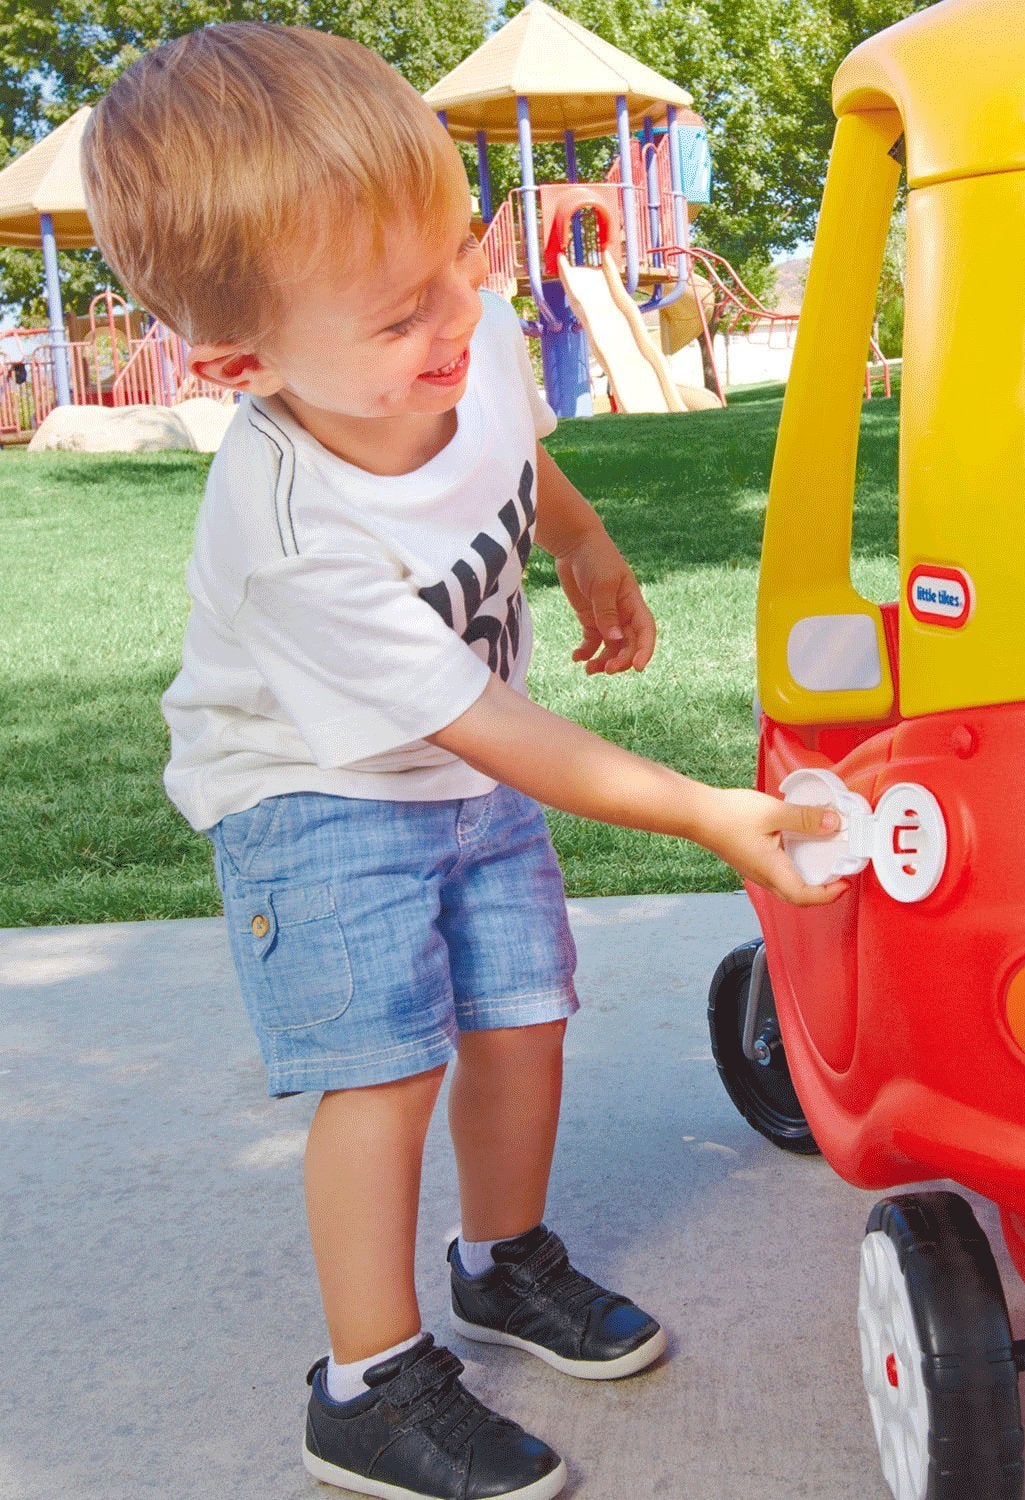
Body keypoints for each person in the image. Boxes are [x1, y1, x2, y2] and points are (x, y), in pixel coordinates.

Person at [81, 24, 844, 1500]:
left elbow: (512, 444)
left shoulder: (460, 334)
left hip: (453, 770)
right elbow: (496, 729)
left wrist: (582, 541)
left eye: (458, 258)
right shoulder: (290, 529)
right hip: (314, 793)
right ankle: (367, 1384)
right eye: (395, 315)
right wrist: (703, 813)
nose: (456, 318)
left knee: (523, 1013)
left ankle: (504, 1264)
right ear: (242, 365)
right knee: (386, 1069)